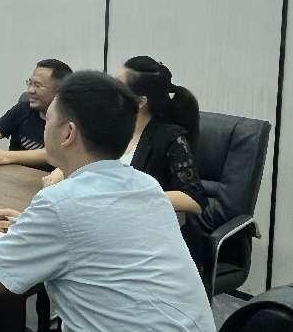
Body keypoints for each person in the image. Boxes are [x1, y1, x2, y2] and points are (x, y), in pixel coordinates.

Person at [0, 71, 215, 332]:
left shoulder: (60, 203)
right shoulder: (146, 185)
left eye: (48, 120)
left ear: (68, 133)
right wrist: (29, 226)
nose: (44, 127)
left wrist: (36, 228)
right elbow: (99, 230)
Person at [44, 56, 207, 214]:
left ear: (140, 102)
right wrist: (63, 170)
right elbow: (87, 160)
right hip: (97, 212)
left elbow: (193, 200)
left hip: (143, 221)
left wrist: (128, 196)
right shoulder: (108, 125)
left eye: (118, 87)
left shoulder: (170, 138)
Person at [0, 59, 72, 170]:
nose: (30, 90)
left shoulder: (72, 120)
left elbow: (54, 153)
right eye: (30, 83)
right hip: (12, 177)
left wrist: (6, 156)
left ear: (60, 91)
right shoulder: (24, 109)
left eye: (38, 85)